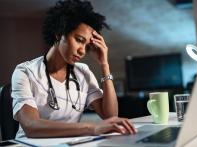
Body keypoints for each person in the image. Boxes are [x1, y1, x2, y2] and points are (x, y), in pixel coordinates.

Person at [11, 0, 137, 138]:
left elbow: (110, 115)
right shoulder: (25, 72)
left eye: (87, 46)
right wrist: (92, 128)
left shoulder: (83, 72)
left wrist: (104, 64)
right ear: (59, 33)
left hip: (69, 143)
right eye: (79, 40)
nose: (83, 51)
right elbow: (31, 126)